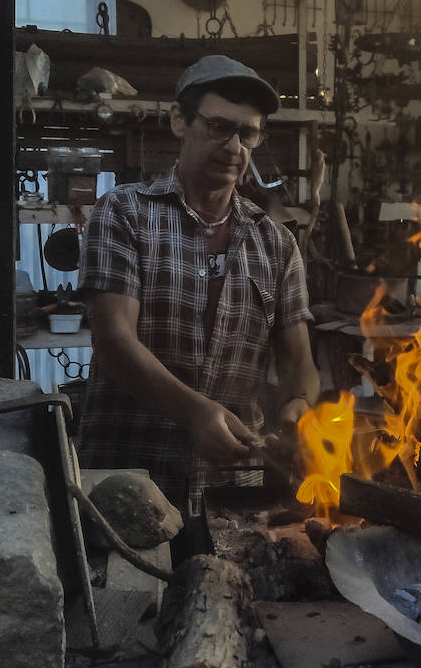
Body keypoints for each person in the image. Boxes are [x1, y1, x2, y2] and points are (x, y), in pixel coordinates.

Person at [76, 54, 319, 554]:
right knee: (126, 612)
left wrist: (298, 409)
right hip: (128, 475)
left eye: (248, 134)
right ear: (179, 121)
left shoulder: (275, 243)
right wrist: (194, 412)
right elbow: (115, 342)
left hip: (234, 488)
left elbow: (299, 363)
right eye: (219, 127)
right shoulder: (124, 213)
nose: (234, 147)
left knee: (228, 607)